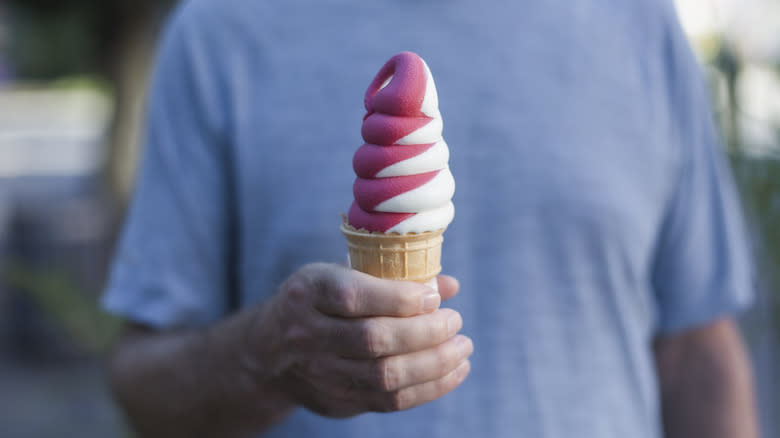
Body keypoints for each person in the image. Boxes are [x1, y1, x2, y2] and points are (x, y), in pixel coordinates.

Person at [103, 0, 760, 437]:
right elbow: (141, 385)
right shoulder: (220, 29)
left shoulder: (636, 21)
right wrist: (264, 355)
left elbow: (698, 350)